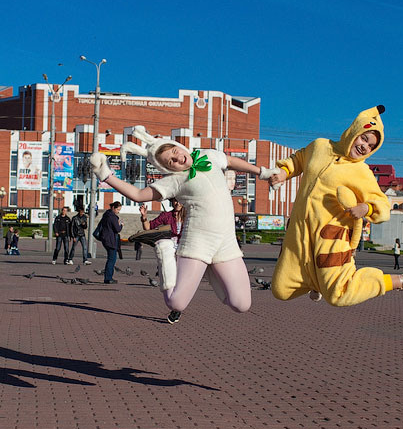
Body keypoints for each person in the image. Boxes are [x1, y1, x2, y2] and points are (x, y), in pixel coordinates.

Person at [95, 125, 273, 323]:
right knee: (176, 303)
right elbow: (137, 195)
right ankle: (164, 250)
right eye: (171, 161)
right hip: (199, 242)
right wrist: (106, 175)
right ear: (167, 168)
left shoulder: (208, 155)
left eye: (174, 151)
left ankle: (209, 269)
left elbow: (230, 161)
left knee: (241, 304)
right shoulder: (174, 181)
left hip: (226, 242)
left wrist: (262, 172)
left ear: (178, 146)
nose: (178, 158)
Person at [268, 106, 403, 307]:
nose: (364, 147)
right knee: (281, 289)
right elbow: (299, 159)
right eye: (364, 138)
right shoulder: (320, 146)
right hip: (299, 233)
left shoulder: (362, 172)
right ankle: (316, 282)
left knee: (339, 294)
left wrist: (366, 209)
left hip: (331, 236)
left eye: (370, 146)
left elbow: (383, 206)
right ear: (354, 131)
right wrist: (284, 172)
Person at [96, 201, 123, 283]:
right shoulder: (112, 217)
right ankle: (108, 278)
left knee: (110, 259)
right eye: (118, 209)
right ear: (113, 208)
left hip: (105, 239)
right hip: (111, 240)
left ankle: (108, 277)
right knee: (112, 259)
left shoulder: (106, 215)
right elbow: (117, 229)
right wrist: (121, 224)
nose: (118, 212)